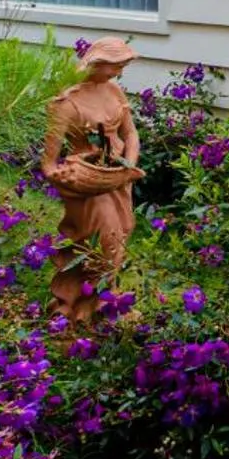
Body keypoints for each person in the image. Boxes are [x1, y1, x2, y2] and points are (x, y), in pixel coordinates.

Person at [44, 37, 143, 326]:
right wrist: (67, 176)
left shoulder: (114, 92)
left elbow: (131, 134)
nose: (119, 74)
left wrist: (130, 165)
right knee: (105, 238)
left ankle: (102, 299)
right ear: (97, 62)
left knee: (119, 236)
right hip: (87, 183)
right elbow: (49, 163)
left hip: (117, 177)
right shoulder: (67, 102)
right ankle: (91, 305)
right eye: (115, 67)